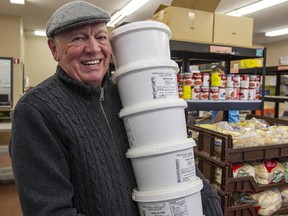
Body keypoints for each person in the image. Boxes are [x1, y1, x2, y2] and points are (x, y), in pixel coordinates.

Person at [9, 1, 223, 216]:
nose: (94, 48)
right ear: (54, 49)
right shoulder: (36, 111)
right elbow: (50, 211)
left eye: (101, 37)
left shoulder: (128, 94)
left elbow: (176, 154)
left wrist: (210, 204)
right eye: (78, 38)